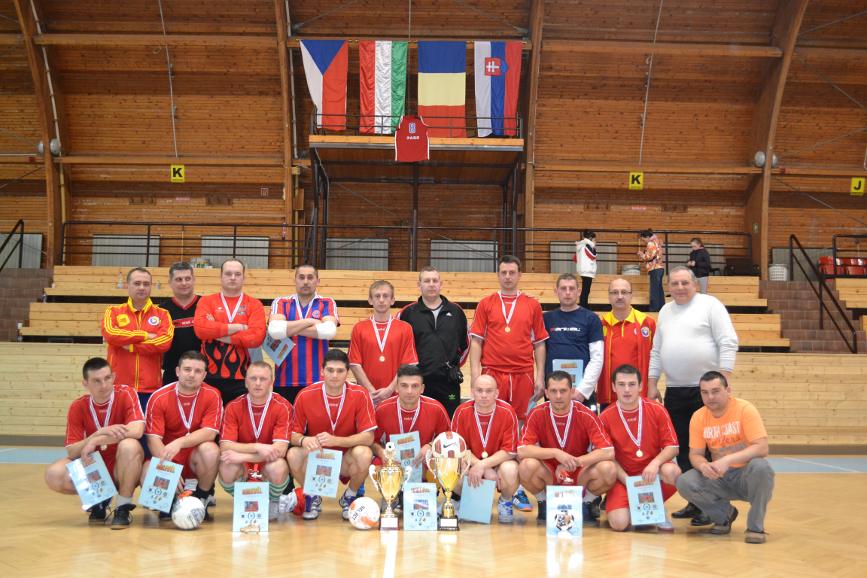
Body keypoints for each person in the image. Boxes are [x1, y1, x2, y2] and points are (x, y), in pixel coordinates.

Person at [647, 266, 739, 525]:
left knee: (709, 451)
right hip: (675, 389)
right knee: (685, 450)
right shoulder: (665, 311)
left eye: (684, 283)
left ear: (695, 285)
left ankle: (717, 506)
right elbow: (657, 351)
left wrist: (722, 381)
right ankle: (696, 501)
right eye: (674, 283)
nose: (679, 287)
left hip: (706, 393)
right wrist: (653, 383)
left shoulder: (710, 305)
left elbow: (728, 341)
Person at [469, 255, 548, 512]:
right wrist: (474, 374)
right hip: (493, 373)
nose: (508, 277)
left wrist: (539, 375)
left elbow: (539, 343)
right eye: (503, 272)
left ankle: (517, 489)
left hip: (523, 374)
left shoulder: (532, 305)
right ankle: (491, 474)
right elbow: (477, 341)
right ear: (498, 275)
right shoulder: (486, 303)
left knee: (523, 430)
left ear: (519, 274)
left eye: (512, 272)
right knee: (493, 423)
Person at [44, 357, 145, 529]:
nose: (104, 385)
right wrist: (96, 435)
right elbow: (72, 451)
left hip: (124, 466)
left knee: (130, 445)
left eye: (107, 378)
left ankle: (122, 507)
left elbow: (136, 430)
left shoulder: (126, 393)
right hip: (95, 468)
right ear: (85, 383)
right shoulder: (78, 406)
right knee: (54, 474)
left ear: (113, 377)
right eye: (96, 381)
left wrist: (97, 440)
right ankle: (100, 498)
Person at [675, 371, 774, 544]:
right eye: (704, 392)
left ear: (728, 390)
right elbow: (695, 455)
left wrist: (727, 460)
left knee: (761, 467)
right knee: (685, 481)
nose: (710, 397)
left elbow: (762, 447)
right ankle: (724, 515)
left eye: (715, 391)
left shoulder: (745, 409)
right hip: (719, 477)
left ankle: (755, 526)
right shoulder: (698, 417)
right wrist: (703, 465)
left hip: (746, 477)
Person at [517, 371, 616, 525]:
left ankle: (585, 503)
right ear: (546, 393)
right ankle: (544, 502)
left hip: (579, 473)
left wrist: (573, 461)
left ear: (571, 392)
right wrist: (556, 453)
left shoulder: (586, 414)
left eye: (563, 391)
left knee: (608, 469)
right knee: (526, 466)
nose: (558, 396)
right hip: (549, 472)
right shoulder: (537, 413)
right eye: (554, 391)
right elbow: (522, 449)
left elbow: (608, 451)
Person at [287, 349, 376, 521]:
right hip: (318, 458)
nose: (335, 375)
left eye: (340, 371)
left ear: (347, 373)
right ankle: (311, 496)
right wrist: (304, 439)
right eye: (330, 370)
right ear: (322, 371)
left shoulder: (360, 394)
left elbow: (368, 437)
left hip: (345, 460)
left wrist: (336, 440)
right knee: (293, 454)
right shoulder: (305, 395)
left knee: (364, 453)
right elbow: (291, 434)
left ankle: (349, 496)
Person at [598, 364, 680, 532]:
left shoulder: (657, 409)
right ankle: (633, 507)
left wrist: (655, 464)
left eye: (632, 384)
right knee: (619, 524)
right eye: (621, 384)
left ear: (641, 386)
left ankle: (656, 507)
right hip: (623, 479)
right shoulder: (605, 416)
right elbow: (608, 457)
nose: (627, 390)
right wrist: (628, 482)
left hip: (652, 476)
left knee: (672, 472)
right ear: (614, 387)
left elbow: (672, 447)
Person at [145, 351, 223, 520]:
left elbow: (209, 433)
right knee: (145, 472)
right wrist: (169, 469)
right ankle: (168, 500)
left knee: (211, 450)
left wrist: (180, 442)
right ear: (177, 371)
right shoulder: (158, 397)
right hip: (167, 455)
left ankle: (201, 497)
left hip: (194, 458)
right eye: (187, 369)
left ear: (204, 375)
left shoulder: (213, 394)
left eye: (197, 371)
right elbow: (153, 439)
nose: (191, 375)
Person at [219, 361, 296, 521]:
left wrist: (243, 456)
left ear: (271, 382)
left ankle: (273, 502)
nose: (258, 383)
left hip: (266, 464)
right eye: (253, 378)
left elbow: (279, 450)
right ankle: (242, 498)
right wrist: (258, 447)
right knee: (226, 467)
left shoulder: (283, 406)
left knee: (278, 467)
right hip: (244, 466)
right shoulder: (233, 407)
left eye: (263, 379)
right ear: (246, 382)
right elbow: (226, 446)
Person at [373, 364, 451, 511]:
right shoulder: (382, 409)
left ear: (422, 388)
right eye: (404, 386)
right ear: (396, 387)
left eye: (414, 386)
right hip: (394, 463)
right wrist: (381, 452)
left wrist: (431, 445)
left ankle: (426, 492)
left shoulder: (436, 408)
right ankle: (390, 496)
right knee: (377, 463)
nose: (409, 391)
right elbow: (372, 441)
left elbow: (448, 439)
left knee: (442, 461)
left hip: (422, 464)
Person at [398, 266, 469, 416]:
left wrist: (452, 365)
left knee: (449, 421)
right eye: (427, 281)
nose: (431, 284)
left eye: (435, 281)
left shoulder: (456, 312)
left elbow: (465, 345)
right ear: (419, 285)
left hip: (448, 383)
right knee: (419, 421)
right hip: (418, 382)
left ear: (440, 284)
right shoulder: (407, 313)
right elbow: (399, 347)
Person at [194, 258, 266, 405]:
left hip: (241, 377)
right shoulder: (206, 301)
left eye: (237, 274)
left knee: (237, 424)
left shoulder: (254, 304)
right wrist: (240, 327)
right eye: (228, 273)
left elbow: (256, 338)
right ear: (221, 276)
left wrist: (215, 329)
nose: (233, 277)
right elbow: (201, 330)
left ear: (244, 277)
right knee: (210, 422)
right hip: (208, 375)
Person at [451, 375, 521, 523]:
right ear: (472, 392)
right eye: (479, 390)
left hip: (497, 466)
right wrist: (478, 465)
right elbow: (458, 447)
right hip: (470, 463)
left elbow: (510, 451)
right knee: (453, 466)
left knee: (511, 469)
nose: (483, 395)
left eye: (489, 391)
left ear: (496, 393)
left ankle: (505, 501)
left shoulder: (508, 411)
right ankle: (463, 501)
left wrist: (485, 465)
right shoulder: (461, 411)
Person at [267, 264, 339, 404]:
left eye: (310, 277)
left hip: (317, 381)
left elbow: (329, 331)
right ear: (295, 280)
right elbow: (275, 331)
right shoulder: (281, 302)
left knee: (314, 426)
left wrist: (288, 327)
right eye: (301, 277)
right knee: (286, 424)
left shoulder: (326, 302)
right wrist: (310, 321)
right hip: (284, 380)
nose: (305, 281)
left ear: (318, 281)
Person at [102, 267, 174, 408]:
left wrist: (130, 345)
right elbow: (111, 334)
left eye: (146, 284)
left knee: (146, 430)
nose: (142, 287)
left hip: (150, 389)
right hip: (118, 387)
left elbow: (164, 342)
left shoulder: (163, 314)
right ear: (128, 285)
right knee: (118, 430)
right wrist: (145, 335)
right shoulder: (113, 312)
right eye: (137, 283)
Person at [348, 280, 418, 405]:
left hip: (396, 395)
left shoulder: (405, 328)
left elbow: (408, 364)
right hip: (367, 395)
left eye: (385, 296)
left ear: (392, 300)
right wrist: (371, 390)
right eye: (377, 296)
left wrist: (390, 390)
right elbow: (354, 363)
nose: (381, 300)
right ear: (370, 300)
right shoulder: (359, 328)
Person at [543, 273, 603, 409]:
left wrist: (583, 390)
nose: (568, 293)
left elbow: (597, 358)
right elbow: (541, 354)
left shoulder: (592, 319)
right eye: (563, 288)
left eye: (572, 288)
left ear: (579, 291)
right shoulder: (546, 319)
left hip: (582, 392)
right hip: (554, 391)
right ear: (556, 291)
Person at [597, 278, 656, 412]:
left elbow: (656, 359)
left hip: (640, 394)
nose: (619, 296)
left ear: (631, 295)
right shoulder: (600, 324)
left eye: (624, 292)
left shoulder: (647, 323)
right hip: (609, 396)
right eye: (614, 292)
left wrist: (653, 386)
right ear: (609, 296)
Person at [161, 262, 201, 386]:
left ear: (193, 280)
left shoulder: (206, 305)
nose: (184, 283)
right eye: (179, 279)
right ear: (170, 282)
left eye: (187, 279)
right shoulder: (162, 310)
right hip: (172, 374)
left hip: (202, 372)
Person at [638, 229, 665, 312]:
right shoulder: (657, 242)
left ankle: (654, 308)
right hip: (660, 267)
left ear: (647, 237)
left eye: (643, 239)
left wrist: (642, 255)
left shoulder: (651, 243)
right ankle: (661, 307)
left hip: (654, 268)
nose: (643, 241)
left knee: (654, 290)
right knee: (659, 289)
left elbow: (649, 257)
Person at [575, 230, 598, 309]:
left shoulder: (581, 245)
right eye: (594, 240)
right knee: (586, 290)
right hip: (587, 270)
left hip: (584, 269)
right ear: (591, 238)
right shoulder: (586, 245)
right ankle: (583, 305)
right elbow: (592, 255)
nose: (595, 241)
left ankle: (584, 304)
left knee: (586, 289)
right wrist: (594, 247)